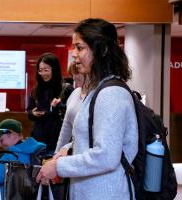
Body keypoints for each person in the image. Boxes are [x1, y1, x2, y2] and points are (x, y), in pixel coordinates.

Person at [36, 18, 139, 200]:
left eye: (80, 47)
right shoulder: (98, 90)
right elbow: (91, 141)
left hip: (106, 193)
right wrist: (67, 149)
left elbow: (106, 156)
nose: (73, 54)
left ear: (102, 50)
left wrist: (58, 166)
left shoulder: (111, 94)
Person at [26, 53, 73, 155]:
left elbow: (71, 114)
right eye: (40, 70)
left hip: (57, 142)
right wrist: (32, 114)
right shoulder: (36, 90)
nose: (42, 73)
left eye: (46, 70)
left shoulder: (65, 89)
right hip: (38, 142)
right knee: (37, 170)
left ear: (54, 70)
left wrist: (60, 106)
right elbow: (29, 111)